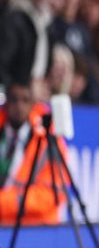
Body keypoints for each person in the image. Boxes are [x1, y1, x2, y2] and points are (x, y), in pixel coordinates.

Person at [0, 81, 67, 225]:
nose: (19, 107)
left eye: (25, 100)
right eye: (14, 100)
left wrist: (4, 203)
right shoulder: (3, 133)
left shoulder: (48, 139)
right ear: (6, 102)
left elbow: (51, 195)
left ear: (33, 103)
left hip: (36, 228)